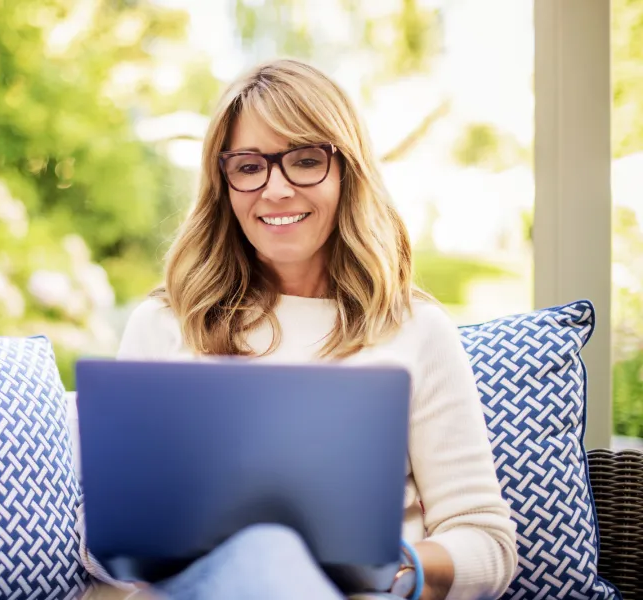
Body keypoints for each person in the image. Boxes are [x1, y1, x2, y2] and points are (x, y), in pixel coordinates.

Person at [77, 58, 518, 600]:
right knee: (262, 557)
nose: (276, 189)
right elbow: (103, 545)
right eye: (248, 166)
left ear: (346, 173)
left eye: (305, 161)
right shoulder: (166, 323)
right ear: (224, 183)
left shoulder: (417, 330)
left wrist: (394, 568)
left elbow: (488, 541)